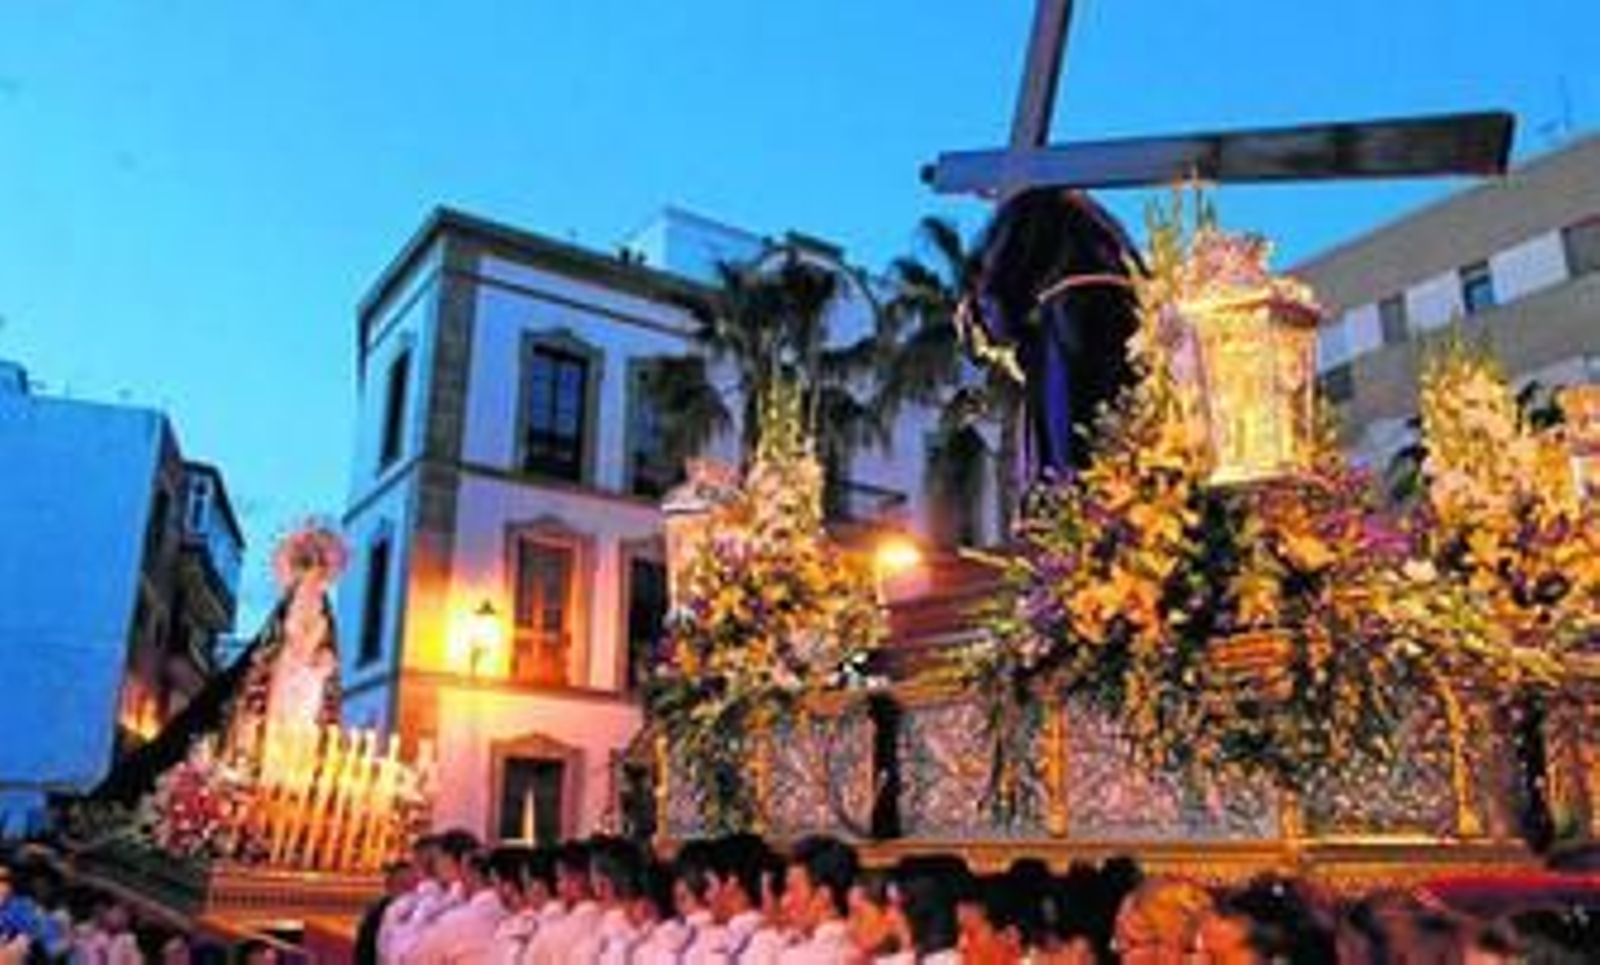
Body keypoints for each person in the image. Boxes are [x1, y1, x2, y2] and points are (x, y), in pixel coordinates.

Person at [402, 849, 508, 964]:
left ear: (473, 875)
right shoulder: (513, 916)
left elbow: (413, 960)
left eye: (463, 872)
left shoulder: (455, 919)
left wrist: (419, 919)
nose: (461, 879)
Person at [388, 830, 478, 961]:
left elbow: (405, 956)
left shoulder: (436, 904)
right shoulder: (427, 901)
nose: (435, 865)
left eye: (438, 858)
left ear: (450, 860)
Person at [777, 836, 858, 964]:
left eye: (793, 890)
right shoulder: (858, 948)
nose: (784, 902)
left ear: (823, 896)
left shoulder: (799, 958)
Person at [524, 841, 600, 965]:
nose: (558, 888)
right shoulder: (612, 921)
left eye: (560, 878)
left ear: (579, 879)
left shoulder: (554, 930)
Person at [356, 860, 416, 965]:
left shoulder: (418, 914)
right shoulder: (376, 915)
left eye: (412, 886)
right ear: (388, 885)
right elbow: (364, 952)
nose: (408, 891)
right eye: (402, 884)